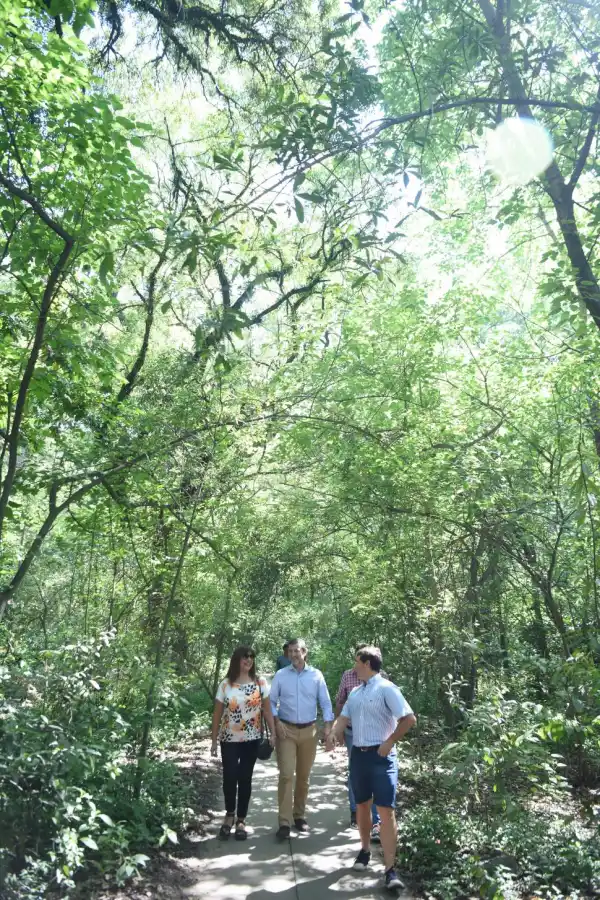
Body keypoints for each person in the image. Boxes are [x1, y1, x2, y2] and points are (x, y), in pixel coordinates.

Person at [326, 646, 416, 893]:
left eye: (357, 662)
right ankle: (364, 851)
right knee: (362, 805)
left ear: (367, 663)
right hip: (359, 757)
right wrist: (333, 733)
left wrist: (389, 742)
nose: (354, 666)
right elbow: (343, 718)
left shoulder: (387, 688)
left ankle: (390, 870)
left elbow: (408, 718)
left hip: (382, 758)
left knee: (386, 811)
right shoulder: (355, 692)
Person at [269, 638, 334, 839]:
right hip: (286, 731)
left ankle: (299, 816)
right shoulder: (281, 675)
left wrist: (328, 729)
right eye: (290, 652)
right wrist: (277, 722)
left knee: (303, 777)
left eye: (297, 651)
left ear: (304, 652)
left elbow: (325, 702)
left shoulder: (316, 675)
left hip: (309, 732)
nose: (293, 655)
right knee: (286, 774)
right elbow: (270, 702)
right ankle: (284, 822)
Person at [211, 645, 276, 841]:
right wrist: (213, 740)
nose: (248, 660)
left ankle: (241, 819)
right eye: (244, 657)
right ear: (236, 660)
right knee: (230, 776)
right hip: (229, 739)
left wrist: (273, 733)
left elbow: (267, 710)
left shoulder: (260, 683)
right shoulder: (226, 685)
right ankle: (229, 815)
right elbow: (217, 714)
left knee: (245, 778)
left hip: (252, 739)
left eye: (251, 657)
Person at [335, 644, 385, 837]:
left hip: (375, 736)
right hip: (352, 733)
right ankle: (356, 811)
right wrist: (336, 730)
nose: (356, 664)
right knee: (354, 771)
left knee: (375, 775)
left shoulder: (383, 681)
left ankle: (376, 821)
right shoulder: (348, 676)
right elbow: (341, 701)